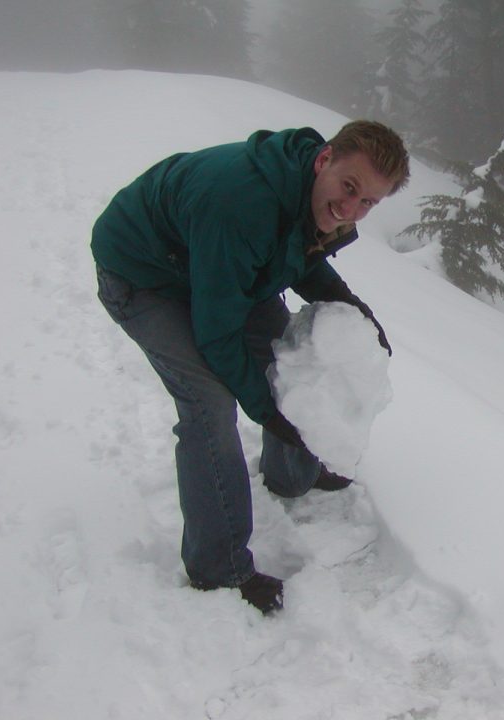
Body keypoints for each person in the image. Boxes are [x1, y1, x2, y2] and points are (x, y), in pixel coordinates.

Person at [91, 121, 410, 614]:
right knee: (209, 405)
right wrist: (268, 412)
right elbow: (218, 334)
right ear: (324, 159)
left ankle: (291, 476)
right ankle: (218, 570)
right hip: (144, 273)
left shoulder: (302, 188)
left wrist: (348, 303)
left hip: (213, 262)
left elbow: (289, 251)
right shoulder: (240, 202)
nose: (351, 210)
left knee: (288, 359)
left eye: (368, 202)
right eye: (349, 188)